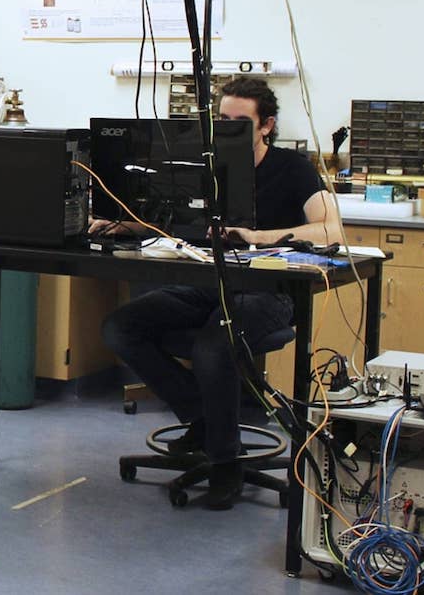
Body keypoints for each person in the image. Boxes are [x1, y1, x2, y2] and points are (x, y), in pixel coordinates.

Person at [95, 76, 340, 510]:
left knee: (214, 344)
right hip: (204, 286)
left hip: (268, 293)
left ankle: (225, 460)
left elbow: (330, 229)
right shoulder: (201, 166)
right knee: (121, 327)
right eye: (220, 119)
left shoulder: (292, 167)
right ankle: (205, 420)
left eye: (238, 122)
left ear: (266, 125)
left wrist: (257, 236)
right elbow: (167, 220)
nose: (226, 129)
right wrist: (123, 226)